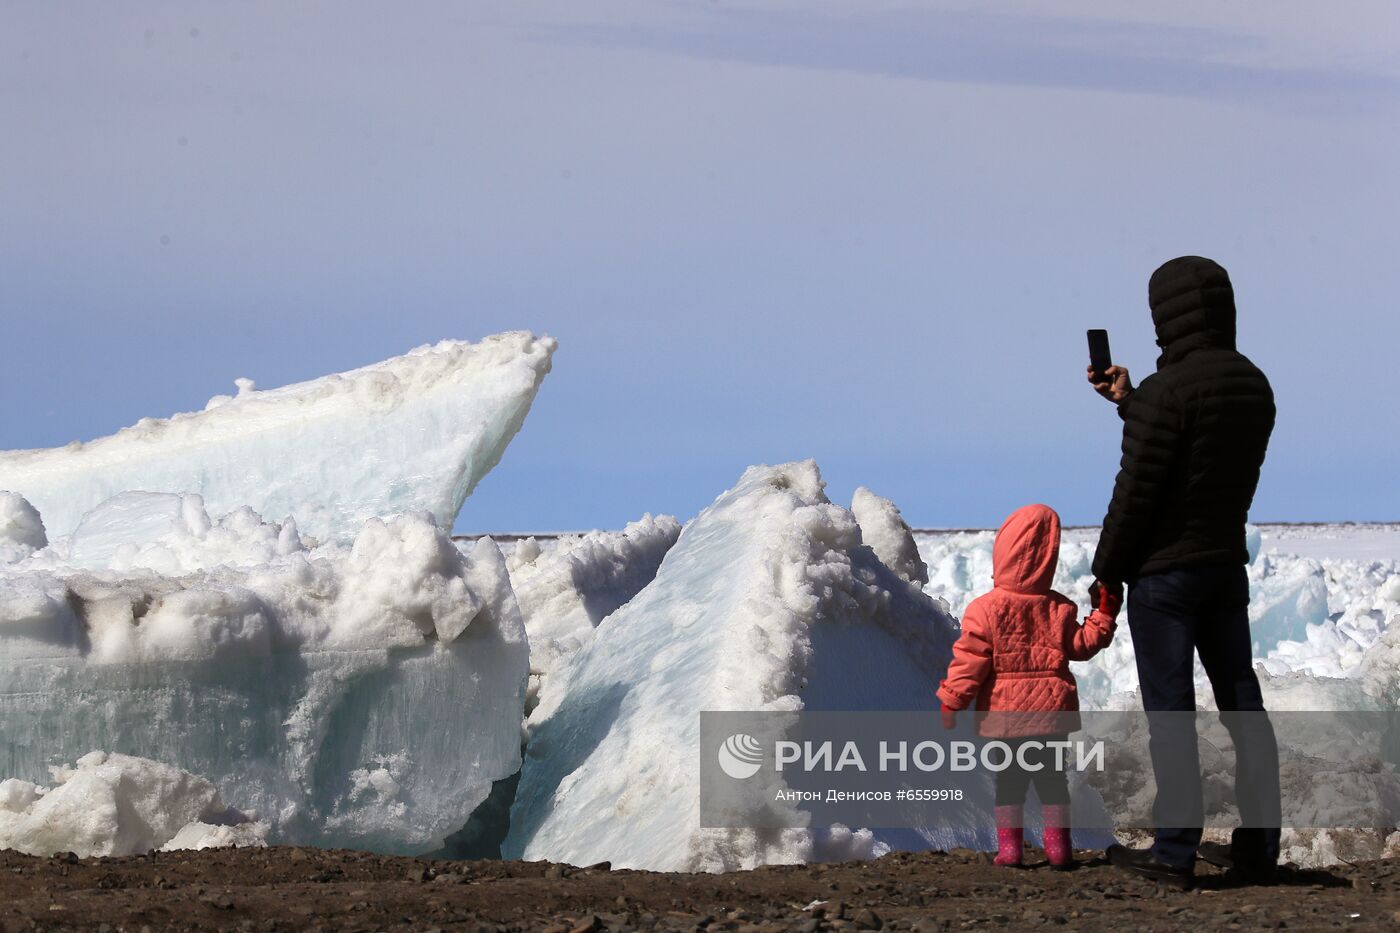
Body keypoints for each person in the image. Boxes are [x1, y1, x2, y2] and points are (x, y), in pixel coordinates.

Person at [1089, 255, 1281, 888]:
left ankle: (1174, 852)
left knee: (1171, 713)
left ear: (1163, 315)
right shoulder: (1253, 384)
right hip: (1224, 567)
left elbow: (1138, 489)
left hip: (1165, 580)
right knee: (1242, 706)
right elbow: (1198, 453)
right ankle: (1258, 846)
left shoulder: (1167, 392)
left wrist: (1106, 570)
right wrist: (1130, 402)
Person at [937, 503, 1120, 870]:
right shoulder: (1060, 609)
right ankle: (1059, 850)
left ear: (1001, 553)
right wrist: (1104, 615)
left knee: (1010, 783)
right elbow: (1082, 646)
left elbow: (971, 661)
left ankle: (1011, 851)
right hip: (1052, 715)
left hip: (1008, 716)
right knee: (1053, 782)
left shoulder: (984, 609)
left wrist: (953, 699)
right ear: (1048, 557)